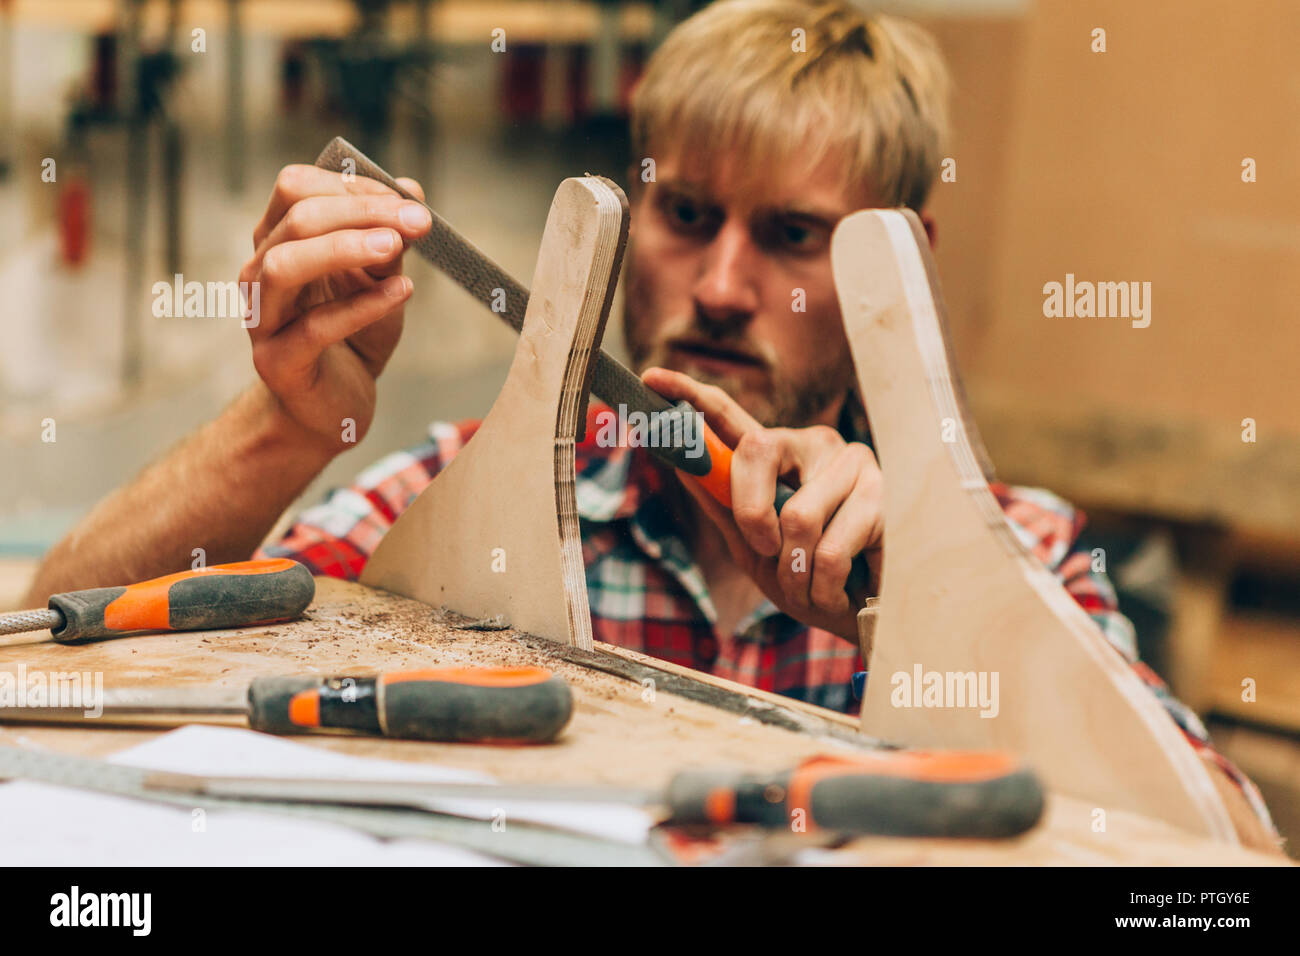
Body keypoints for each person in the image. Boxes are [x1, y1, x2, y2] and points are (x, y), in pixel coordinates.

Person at [23, 0, 1278, 849]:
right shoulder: (475, 486)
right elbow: (49, 646)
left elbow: (1215, 848)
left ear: (896, 267)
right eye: (684, 216)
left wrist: (924, 598)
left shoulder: (1021, 551)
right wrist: (285, 427)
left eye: (789, 236)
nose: (722, 287)